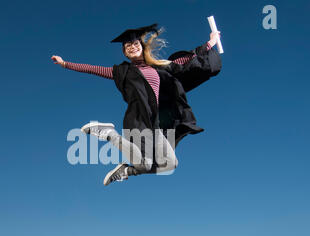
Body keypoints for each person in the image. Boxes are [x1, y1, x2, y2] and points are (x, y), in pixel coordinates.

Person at [51, 23, 222, 186]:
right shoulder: (122, 71)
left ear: (142, 46)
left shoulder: (158, 68)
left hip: (154, 122)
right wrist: (65, 64)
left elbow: (185, 59)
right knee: (145, 164)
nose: (132, 47)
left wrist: (210, 43)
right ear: (125, 53)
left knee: (170, 164)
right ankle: (108, 133)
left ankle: (126, 170)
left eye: (134, 44)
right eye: (127, 46)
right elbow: (92, 68)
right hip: (137, 119)